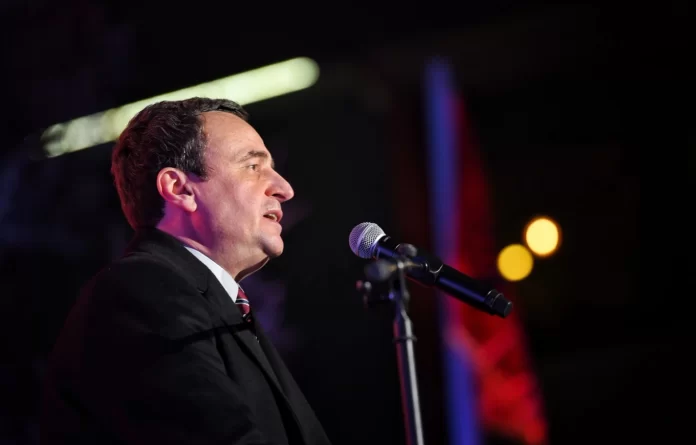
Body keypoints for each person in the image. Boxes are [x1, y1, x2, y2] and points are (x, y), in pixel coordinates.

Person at [40, 97, 332, 445]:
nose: (284, 189)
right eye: (253, 166)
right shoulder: (139, 294)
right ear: (179, 189)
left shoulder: (213, 302)